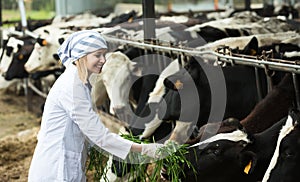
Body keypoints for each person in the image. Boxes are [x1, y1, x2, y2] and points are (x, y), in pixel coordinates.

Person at [28, 30, 163, 181]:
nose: (103, 60)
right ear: (81, 56)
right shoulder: (72, 87)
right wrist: (144, 149)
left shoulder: (80, 82)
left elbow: (91, 134)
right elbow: (99, 136)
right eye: (97, 55)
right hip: (56, 169)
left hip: (65, 163)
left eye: (103, 55)